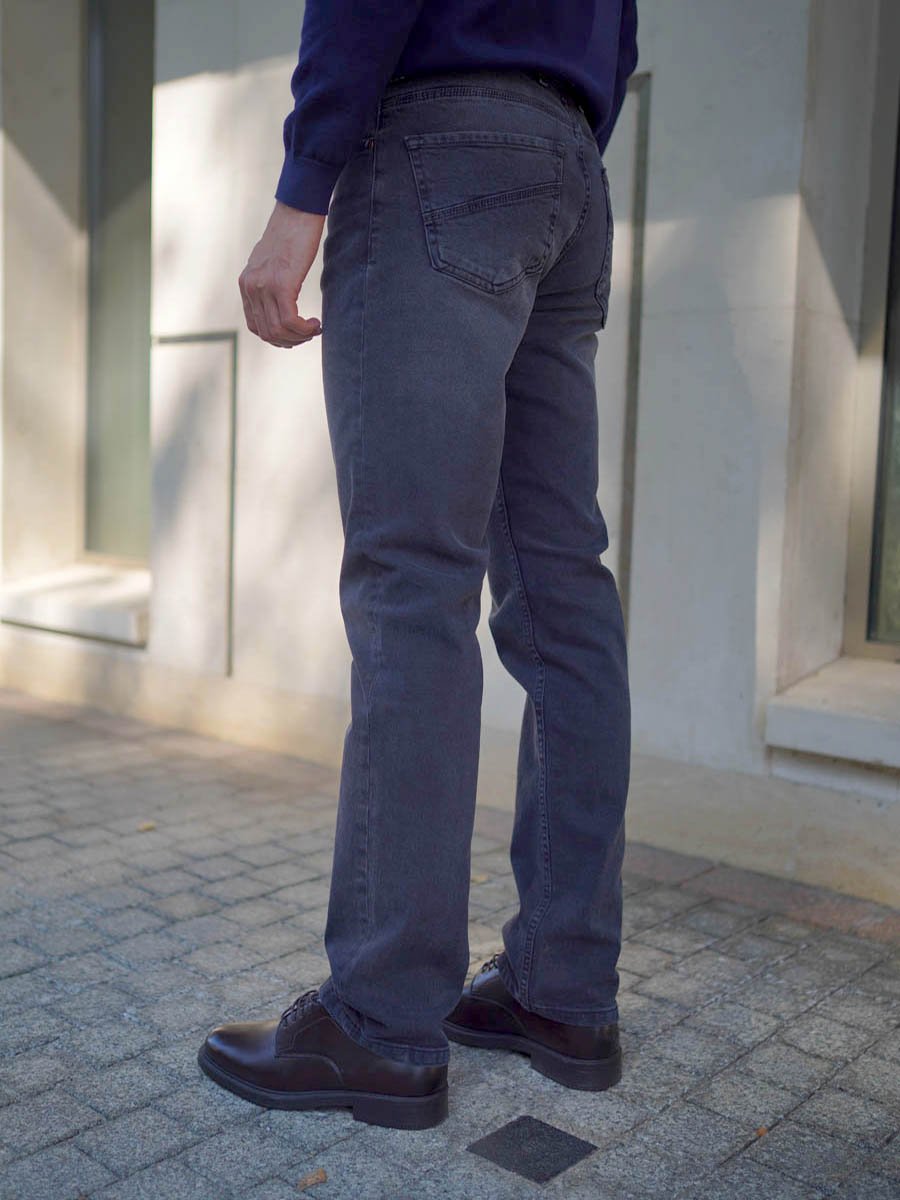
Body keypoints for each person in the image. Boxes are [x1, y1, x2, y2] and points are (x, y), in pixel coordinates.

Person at [198, 0, 638, 1131]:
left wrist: (301, 193)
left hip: (441, 145)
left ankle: (382, 1024)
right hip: (571, 165)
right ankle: (564, 996)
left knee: (414, 586)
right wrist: (556, 131)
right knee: (565, 590)